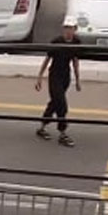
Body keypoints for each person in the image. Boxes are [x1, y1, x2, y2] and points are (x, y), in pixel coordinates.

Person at [34, 16, 81, 147]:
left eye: (70, 28)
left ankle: (42, 126)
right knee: (61, 104)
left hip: (65, 76)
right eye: (66, 28)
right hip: (54, 75)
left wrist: (77, 80)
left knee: (55, 103)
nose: (68, 31)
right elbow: (47, 60)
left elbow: (75, 62)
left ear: (75, 29)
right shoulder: (56, 42)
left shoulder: (76, 42)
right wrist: (39, 77)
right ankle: (62, 132)